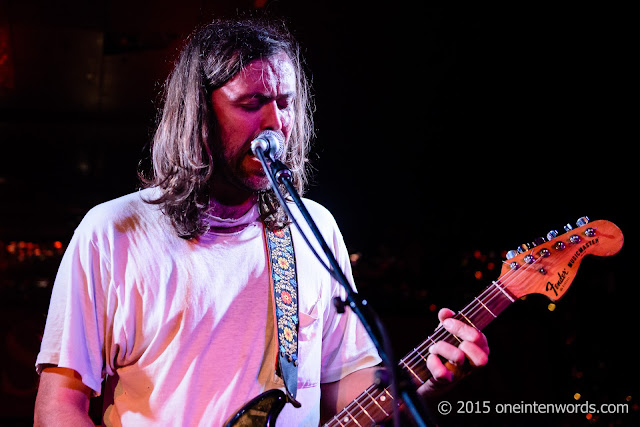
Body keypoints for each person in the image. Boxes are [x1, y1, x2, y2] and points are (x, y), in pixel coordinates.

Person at [33, 16, 489, 426]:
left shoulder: (314, 229)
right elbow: (59, 407)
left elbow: (338, 394)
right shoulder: (114, 232)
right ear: (200, 116)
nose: (276, 123)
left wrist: (427, 380)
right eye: (252, 103)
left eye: (285, 103)